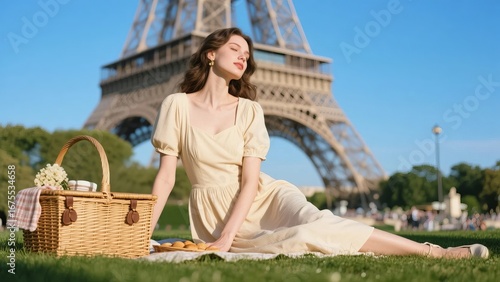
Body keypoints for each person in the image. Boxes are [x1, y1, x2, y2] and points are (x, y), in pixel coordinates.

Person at [149, 27, 489, 259]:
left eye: (247, 54)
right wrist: (140, 236)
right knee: (301, 240)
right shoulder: (176, 105)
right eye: (234, 49)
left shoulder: (250, 110)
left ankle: (436, 252)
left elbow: (251, 181)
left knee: (319, 224)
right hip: (212, 210)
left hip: (263, 197)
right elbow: (166, 178)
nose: (243, 57)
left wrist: (226, 238)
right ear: (210, 55)